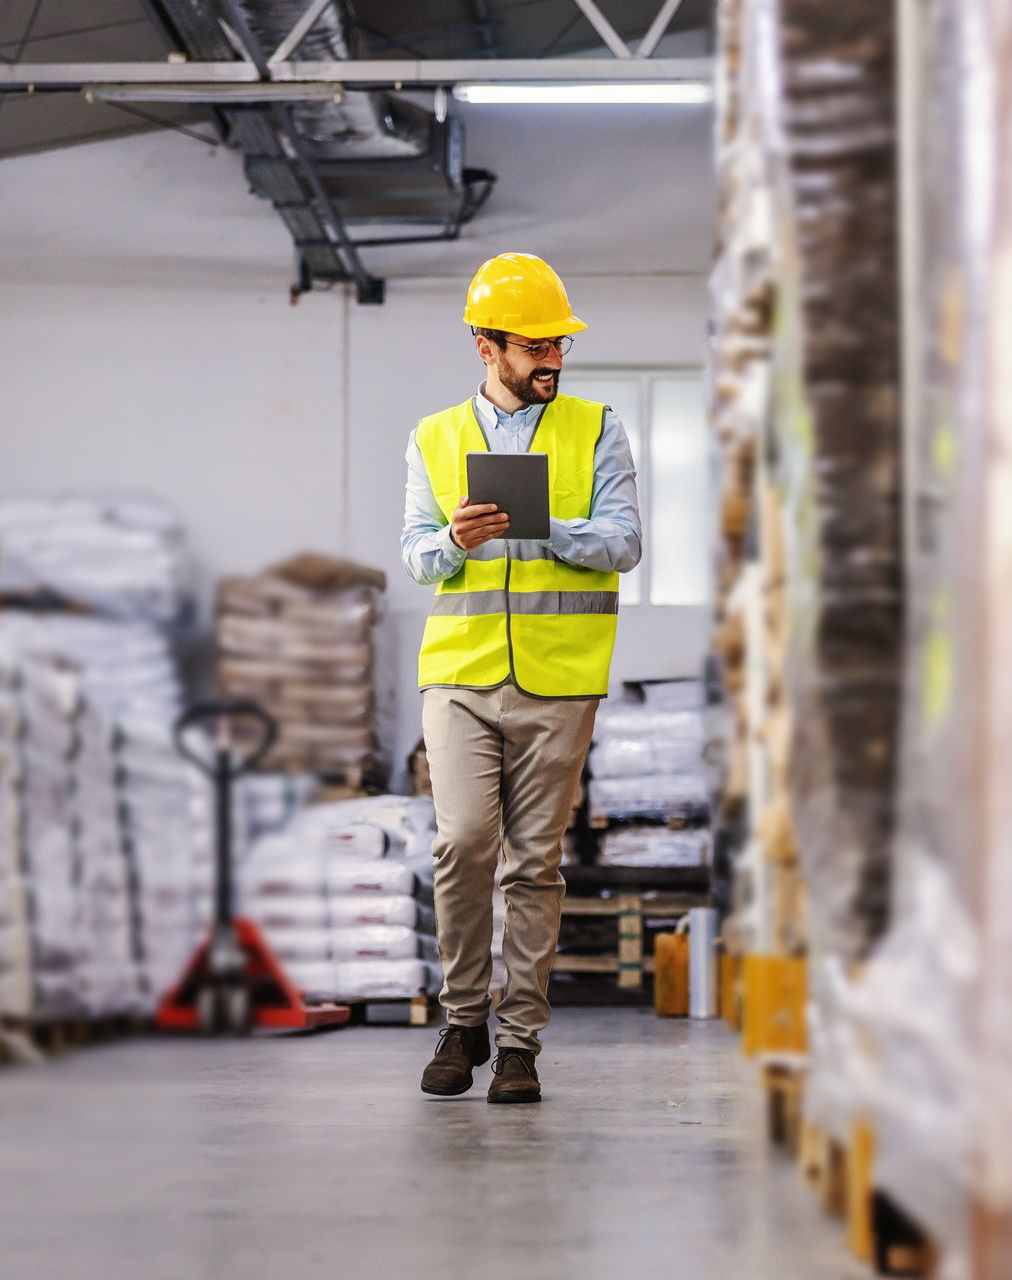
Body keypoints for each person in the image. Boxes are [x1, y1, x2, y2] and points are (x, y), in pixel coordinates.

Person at [400, 253, 642, 1103]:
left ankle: (518, 1044)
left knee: (534, 864)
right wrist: (454, 543)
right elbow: (416, 554)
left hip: (561, 678)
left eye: (559, 345)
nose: (552, 360)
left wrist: (550, 529)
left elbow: (624, 542)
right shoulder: (432, 437)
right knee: (462, 843)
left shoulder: (597, 425)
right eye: (533, 346)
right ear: (485, 346)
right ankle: (462, 1019)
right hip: (460, 676)